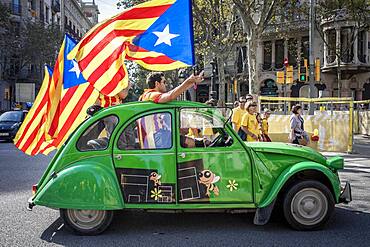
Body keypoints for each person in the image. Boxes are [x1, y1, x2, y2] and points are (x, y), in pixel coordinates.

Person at [139, 71, 204, 103]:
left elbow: (169, 94)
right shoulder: (150, 95)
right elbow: (170, 96)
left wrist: (190, 83)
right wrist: (187, 82)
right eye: (164, 82)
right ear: (157, 83)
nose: (166, 84)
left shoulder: (148, 95)